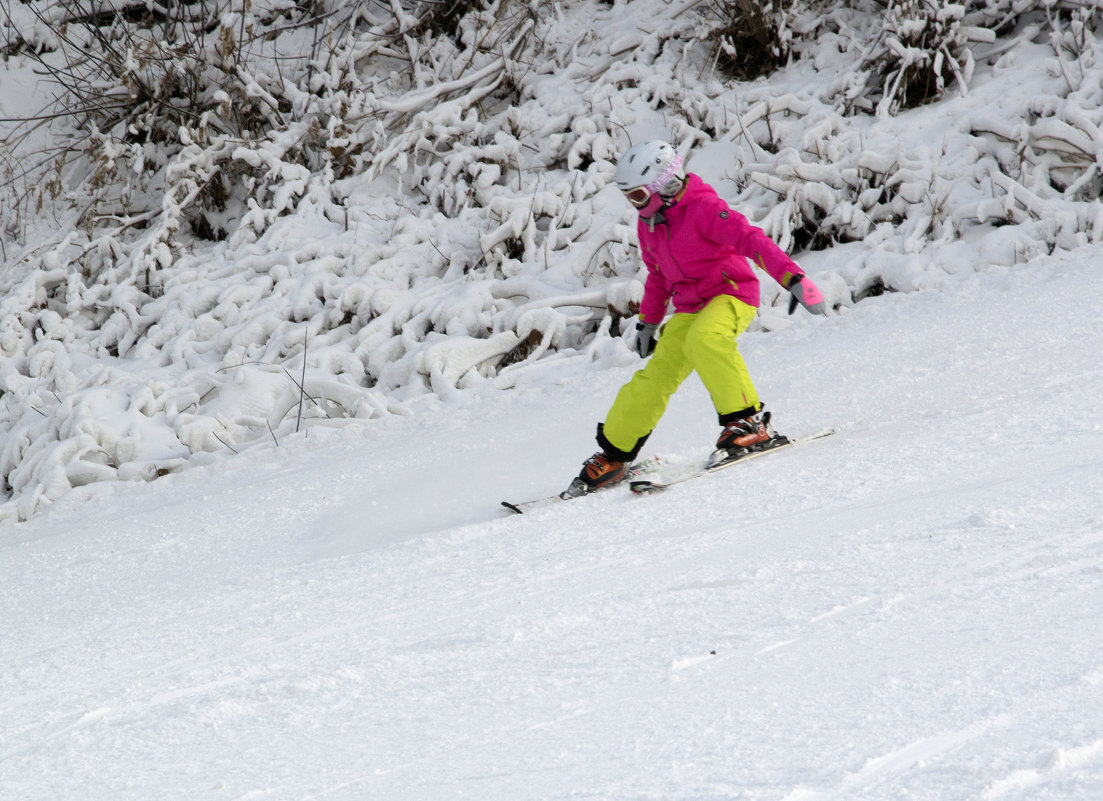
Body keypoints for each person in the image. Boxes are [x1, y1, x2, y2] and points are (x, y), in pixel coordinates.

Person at [564, 140, 828, 497]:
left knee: (707, 340)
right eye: (628, 197)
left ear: (665, 184)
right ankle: (615, 454)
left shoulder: (704, 209)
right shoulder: (650, 224)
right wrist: (648, 322)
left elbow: (751, 240)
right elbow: (657, 275)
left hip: (731, 293)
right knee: (653, 377)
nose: (634, 205)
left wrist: (793, 278)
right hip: (690, 307)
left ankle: (747, 422)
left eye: (639, 195)